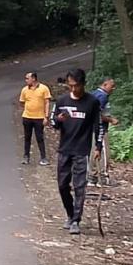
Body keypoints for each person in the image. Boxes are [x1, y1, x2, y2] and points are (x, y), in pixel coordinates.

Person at [51, 68, 100, 236]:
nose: (73, 89)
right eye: (70, 85)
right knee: (62, 185)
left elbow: (98, 125)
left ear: (83, 84)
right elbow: (53, 123)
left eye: (76, 85)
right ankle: (70, 214)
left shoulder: (92, 102)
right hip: (65, 149)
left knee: (80, 186)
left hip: (82, 150)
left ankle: (76, 220)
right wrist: (58, 120)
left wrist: (98, 147)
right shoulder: (62, 101)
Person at [18, 71, 51, 166]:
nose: (26, 80)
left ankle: (43, 158)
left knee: (40, 138)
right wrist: (28, 109)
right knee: (27, 137)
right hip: (27, 117)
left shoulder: (44, 88)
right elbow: (22, 102)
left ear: (33, 78)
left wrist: (46, 116)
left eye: (27, 78)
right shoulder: (24, 90)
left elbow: (47, 102)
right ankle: (26, 157)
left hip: (39, 117)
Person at [89, 77, 117, 183]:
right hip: (100, 128)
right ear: (105, 85)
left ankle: (92, 176)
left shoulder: (94, 94)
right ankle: (103, 176)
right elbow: (97, 114)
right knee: (104, 152)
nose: (113, 88)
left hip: (92, 128)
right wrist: (111, 120)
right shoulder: (102, 96)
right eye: (111, 86)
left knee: (94, 151)